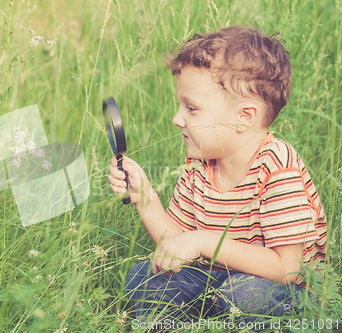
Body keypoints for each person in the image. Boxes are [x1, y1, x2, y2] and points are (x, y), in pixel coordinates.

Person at [108, 26, 327, 326]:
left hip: (278, 291)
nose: (177, 118)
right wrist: (143, 196)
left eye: (192, 108)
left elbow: (288, 268)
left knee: (245, 294)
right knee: (145, 277)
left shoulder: (277, 165)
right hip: (214, 283)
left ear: (244, 117)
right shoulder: (199, 163)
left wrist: (203, 241)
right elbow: (175, 244)